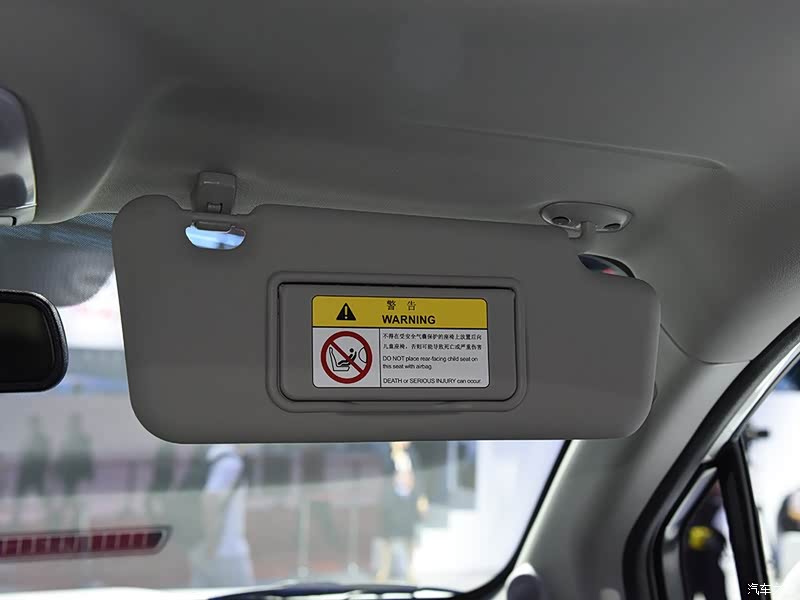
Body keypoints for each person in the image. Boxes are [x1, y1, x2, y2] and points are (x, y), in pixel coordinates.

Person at [189, 444, 255, 588]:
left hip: (204, 547)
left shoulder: (214, 456)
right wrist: (211, 544)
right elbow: (210, 500)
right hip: (225, 550)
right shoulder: (230, 463)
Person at [375, 441, 429, 583]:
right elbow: (383, 478)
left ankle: (410, 571)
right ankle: (383, 571)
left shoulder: (412, 455)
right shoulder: (387, 456)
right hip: (392, 502)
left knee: (409, 538)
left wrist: (421, 497)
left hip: (408, 501)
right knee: (387, 538)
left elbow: (419, 476)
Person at [54, 413, 95, 528]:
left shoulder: (82, 440)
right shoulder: (68, 441)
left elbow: (87, 457)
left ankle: (73, 522)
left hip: (76, 476)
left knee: (73, 499)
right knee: (70, 499)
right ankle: (70, 522)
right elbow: (62, 457)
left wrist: (88, 473)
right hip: (70, 476)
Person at [12, 415, 51, 525]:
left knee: (42, 495)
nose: (33, 427)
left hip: (37, 472)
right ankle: (16, 518)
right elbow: (24, 455)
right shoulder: (28, 439)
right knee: (20, 495)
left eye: (34, 424)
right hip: (27, 471)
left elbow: (45, 456)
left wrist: (43, 469)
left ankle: (51, 515)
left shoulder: (42, 439)